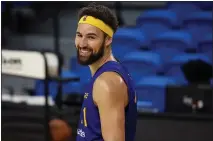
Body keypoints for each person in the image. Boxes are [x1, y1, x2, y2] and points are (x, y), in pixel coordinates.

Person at [75, 2, 137, 141]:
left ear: (108, 39)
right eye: (79, 35)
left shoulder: (107, 82)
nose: (82, 43)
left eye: (91, 37)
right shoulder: (108, 74)